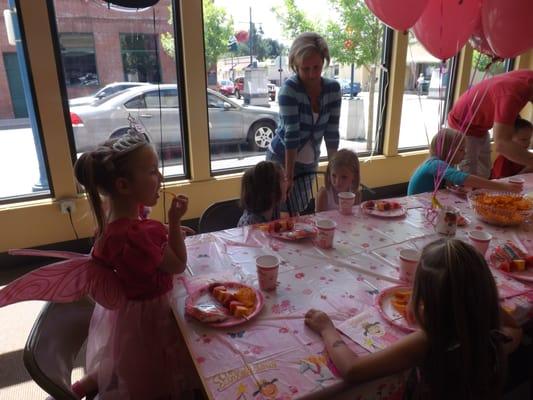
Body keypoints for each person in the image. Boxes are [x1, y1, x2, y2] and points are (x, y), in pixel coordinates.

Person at [0, 130, 197, 399]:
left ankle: (95, 380)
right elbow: (178, 264)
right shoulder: (137, 237)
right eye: (152, 171)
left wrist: (162, 230)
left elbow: (141, 235)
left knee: (125, 355)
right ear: (124, 186)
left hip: (127, 312)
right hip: (151, 317)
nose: (160, 177)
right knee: (154, 370)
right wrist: (174, 223)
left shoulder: (113, 224)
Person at [305, 238, 522, 399]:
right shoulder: (492, 340)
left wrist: (327, 329)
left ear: (427, 301)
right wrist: (476, 300)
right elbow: (516, 329)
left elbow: (353, 370)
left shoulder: (430, 341)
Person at [266, 32, 342, 213]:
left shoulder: (333, 89)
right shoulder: (288, 91)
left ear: (324, 62)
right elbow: (292, 134)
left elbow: (332, 133)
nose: (312, 74)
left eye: (316, 67)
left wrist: (334, 171)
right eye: (305, 69)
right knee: (278, 212)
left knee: (297, 211)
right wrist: (288, 176)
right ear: (295, 66)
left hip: (310, 161)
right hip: (281, 160)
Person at [447, 70, 533, 178]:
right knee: (469, 176)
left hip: (480, 128)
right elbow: (502, 144)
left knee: (484, 173)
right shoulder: (512, 93)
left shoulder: (527, 78)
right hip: (462, 126)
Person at [407, 128, 521, 195]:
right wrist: (502, 186)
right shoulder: (435, 164)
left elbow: (451, 182)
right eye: (461, 150)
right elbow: (463, 178)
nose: (465, 153)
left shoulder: (443, 163)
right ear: (448, 150)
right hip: (416, 208)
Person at [238, 161, 288, 227]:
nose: (287, 183)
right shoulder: (252, 223)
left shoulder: (274, 208)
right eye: (283, 180)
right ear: (271, 190)